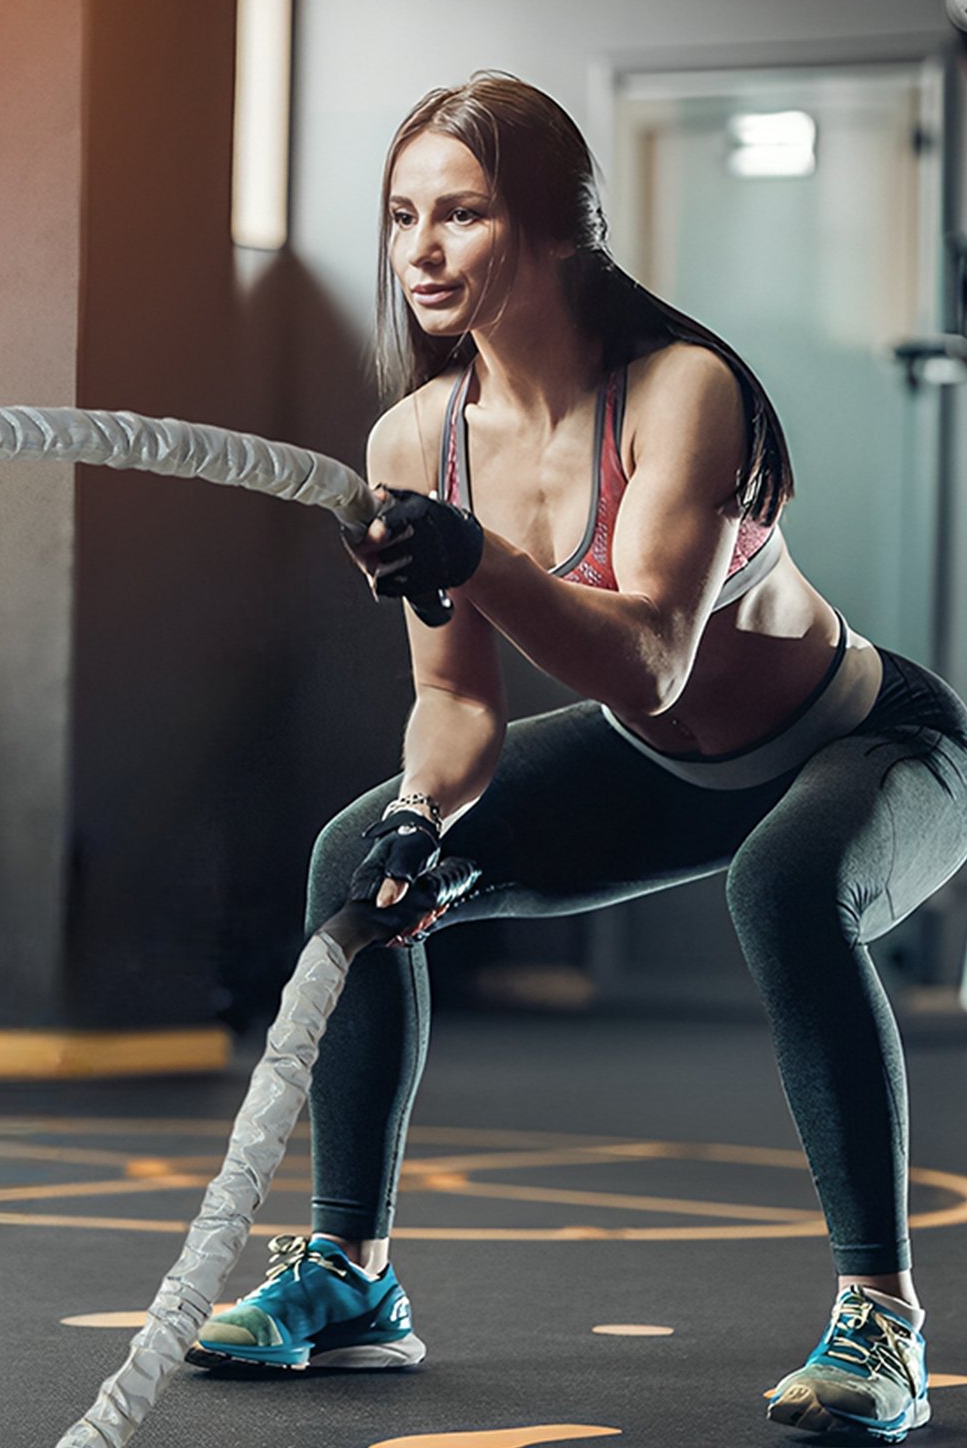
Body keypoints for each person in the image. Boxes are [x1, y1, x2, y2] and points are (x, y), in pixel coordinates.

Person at [189, 72, 967, 1444]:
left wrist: (476, 553)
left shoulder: (684, 391)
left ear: (555, 228)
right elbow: (457, 700)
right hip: (661, 768)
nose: (421, 251)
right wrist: (428, 812)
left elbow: (653, 658)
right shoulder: (413, 439)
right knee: (350, 857)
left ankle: (882, 1321)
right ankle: (354, 1278)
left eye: (464, 214)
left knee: (786, 888)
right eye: (401, 218)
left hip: (868, 742)